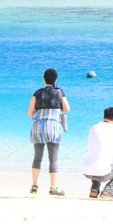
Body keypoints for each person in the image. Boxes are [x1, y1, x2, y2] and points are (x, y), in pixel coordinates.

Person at [28, 67, 70, 196]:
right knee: (53, 159)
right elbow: (67, 109)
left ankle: (34, 186)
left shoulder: (37, 93)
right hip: (53, 129)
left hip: (38, 128)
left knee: (37, 158)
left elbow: (29, 113)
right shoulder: (59, 92)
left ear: (43, 79)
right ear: (55, 80)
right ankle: (53, 188)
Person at [82, 106, 113, 199]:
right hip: (102, 173)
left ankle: (94, 190)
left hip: (86, 171)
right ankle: (108, 192)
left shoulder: (94, 127)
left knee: (98, 160)